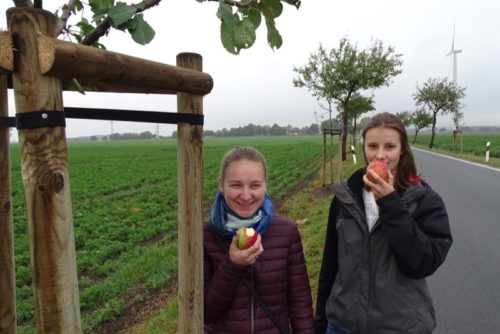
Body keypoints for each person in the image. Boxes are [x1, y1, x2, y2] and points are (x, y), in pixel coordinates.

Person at [315, 112, 453, 334]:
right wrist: (320, 322)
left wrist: (390, 203)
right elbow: (330, 266)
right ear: (363, 149)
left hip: (401, 325)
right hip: (342, 325)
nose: (380, 155)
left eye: (389, 146)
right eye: (372, 146)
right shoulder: (345, 198)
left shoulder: (426, 201)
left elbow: (422, 262)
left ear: (402, 149)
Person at [204, 146, 315, 333]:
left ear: (265, 186)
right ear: (222, 185)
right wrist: (233, 265)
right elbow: (206, 313)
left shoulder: (286, 233)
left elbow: (300, 305)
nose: (246, 195)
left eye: (255, 185)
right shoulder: (206, 236)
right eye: (236, 185)